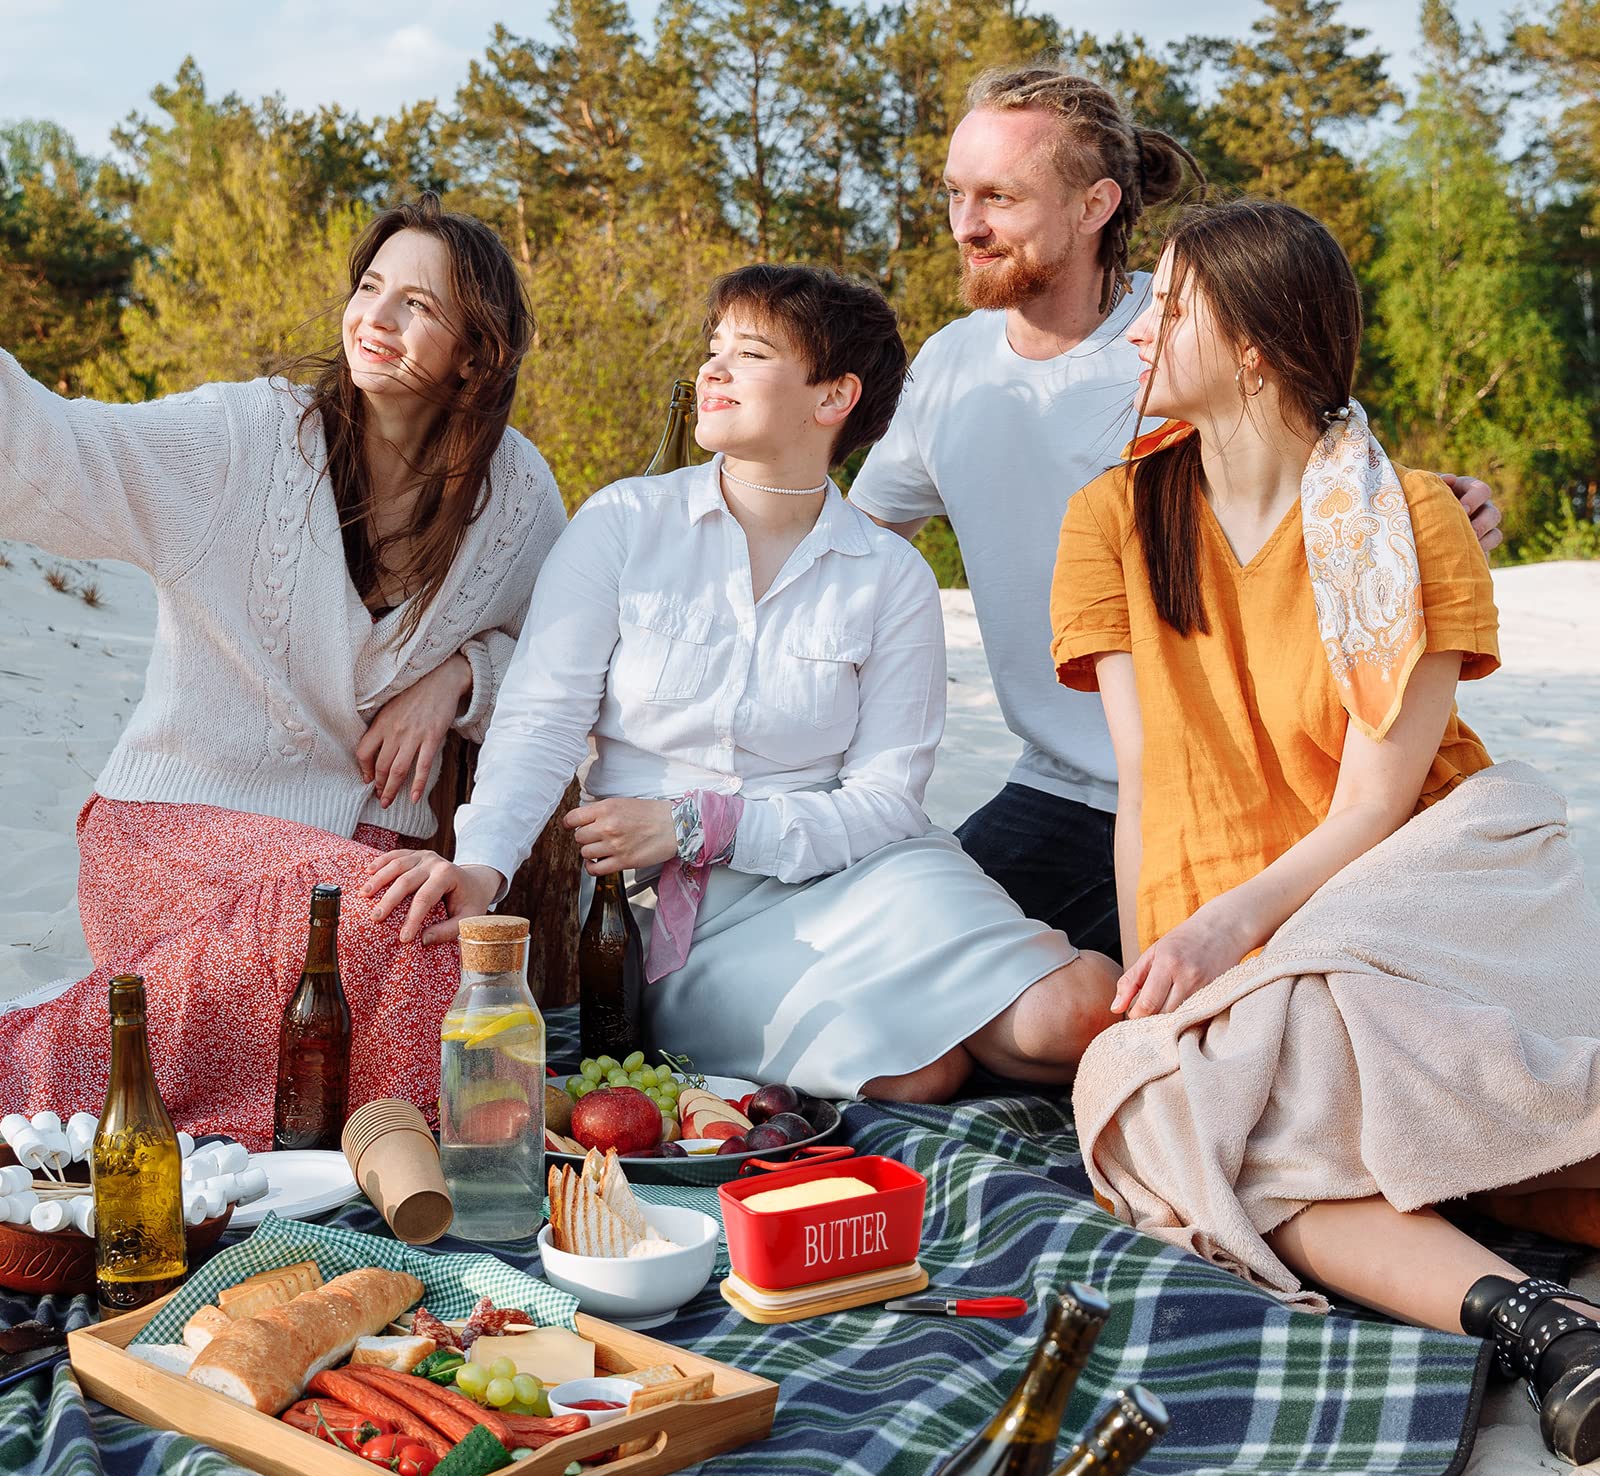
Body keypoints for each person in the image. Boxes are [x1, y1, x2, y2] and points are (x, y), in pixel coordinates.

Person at [1051, 197, 1600, 1464]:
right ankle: (1542, 1328)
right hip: (1244, 925)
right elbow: (1146, 782)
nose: (1139, 334)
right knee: (1164, 1104)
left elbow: (1375, 804)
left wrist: (1226, 942)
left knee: (1301, 1068)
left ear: (1251, 342)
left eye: (1170, 306)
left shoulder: (1401, 516)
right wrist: (1160, 991)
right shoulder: (1111, 521)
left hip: (1426, 880)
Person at [364, 264, 1119, 1104]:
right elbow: (540, 722)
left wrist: (698, 824)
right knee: (916, 1073)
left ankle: (1152, 1010)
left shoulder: (890, 576)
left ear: (832, 397)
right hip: (680, 920)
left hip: (867, 875)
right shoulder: (623, 523)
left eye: (750, 353)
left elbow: (885, 802)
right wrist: (482, 868)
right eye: (714, 348)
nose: (712, 370)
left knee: (1075, 1014)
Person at [849, 63, 1504, 959]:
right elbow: (856, 550)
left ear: (1094, 205)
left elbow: (1320, 464)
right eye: (956, 193)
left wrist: (1430, 504)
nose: (967, 223)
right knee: (915, 981)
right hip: (1061, 785)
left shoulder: (1191, 337)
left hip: (1253, 785)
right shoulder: (949, 369)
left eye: (998, 196)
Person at [0, 194, 566, 1146]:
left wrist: (462, 676)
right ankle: (22, 1079)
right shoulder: (246, 439)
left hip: (366, 874)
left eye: (416, 306)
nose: (373, 319)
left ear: (478, 351)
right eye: (369, 287)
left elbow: (567, 666)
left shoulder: (515, 496)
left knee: (442, 975)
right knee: (415, 961)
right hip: (176, 837)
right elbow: (61, 455)